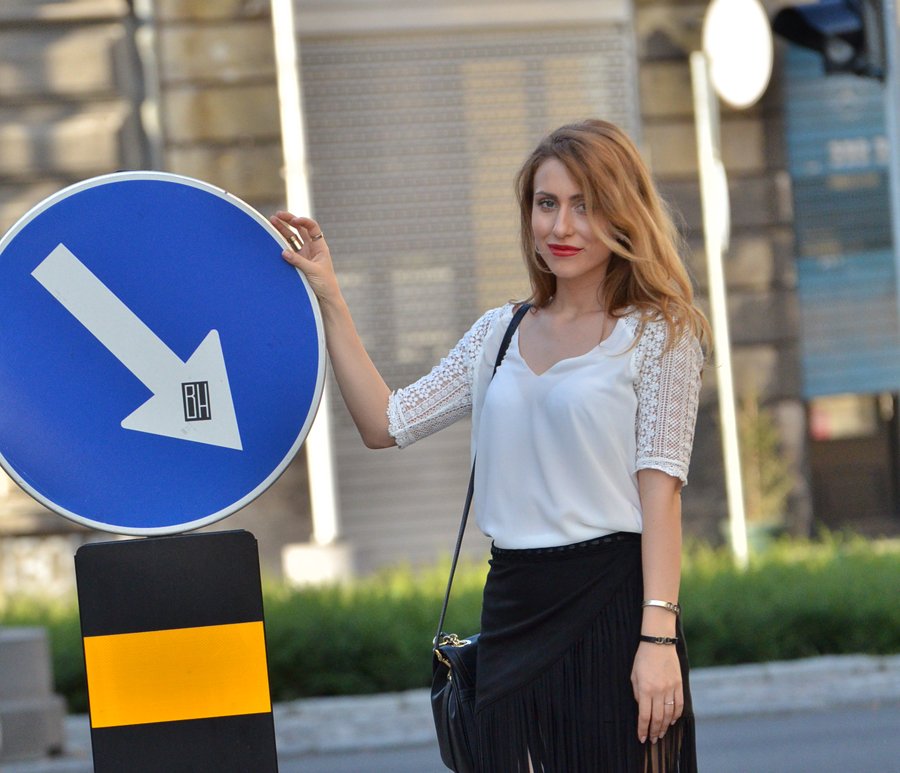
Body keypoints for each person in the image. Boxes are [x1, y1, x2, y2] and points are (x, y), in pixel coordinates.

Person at [271, 118, 708, 772]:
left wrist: (657, 637)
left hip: (612, 610)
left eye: (585, 206)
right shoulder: (496, 334)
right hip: (511, 606)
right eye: (547, 203)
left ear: (623, 213)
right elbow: (384, 422)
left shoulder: (660, 336)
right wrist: (330, 294)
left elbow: (661, 498)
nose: (561, 226)